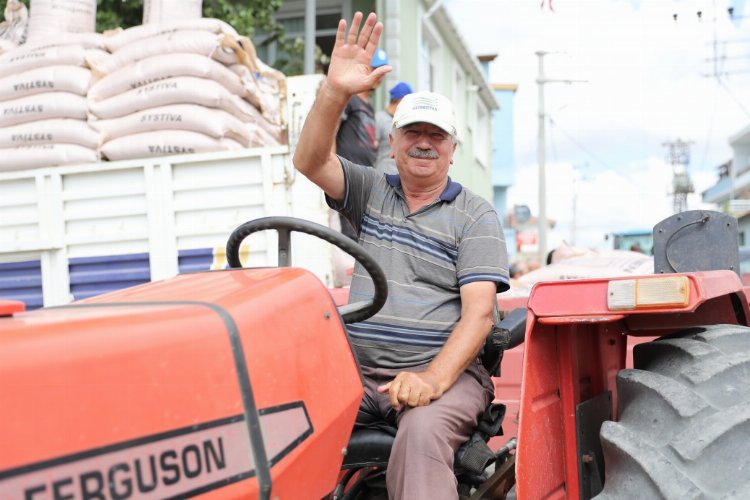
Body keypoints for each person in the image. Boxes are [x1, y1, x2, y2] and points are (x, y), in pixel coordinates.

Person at [293, 12, 509, 499]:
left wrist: (432, 380)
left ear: (453, 149)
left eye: (436, 136)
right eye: (413, 132)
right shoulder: (370, 191)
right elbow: (310, 161)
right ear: (391, 141)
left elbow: (478, 316)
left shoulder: (474, 215)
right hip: (356, 375)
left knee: (420, 433)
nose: (424, 143)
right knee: (277, 421)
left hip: (443, 377)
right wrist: (334, 93)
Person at [333, 47, 388, 239]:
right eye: (374, 69)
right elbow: (333, 129)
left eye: (381, 71)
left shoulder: (369, 106)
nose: (378, 76)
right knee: (351, 231)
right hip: (348, 170)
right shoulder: (350, 99)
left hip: (366, 174)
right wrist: (331, 162)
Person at [374, 81, 413, 174]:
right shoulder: (379, 118)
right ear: (401, 100)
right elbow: (370, 149)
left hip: (402, 179)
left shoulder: (404, 121)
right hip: (383, 177)